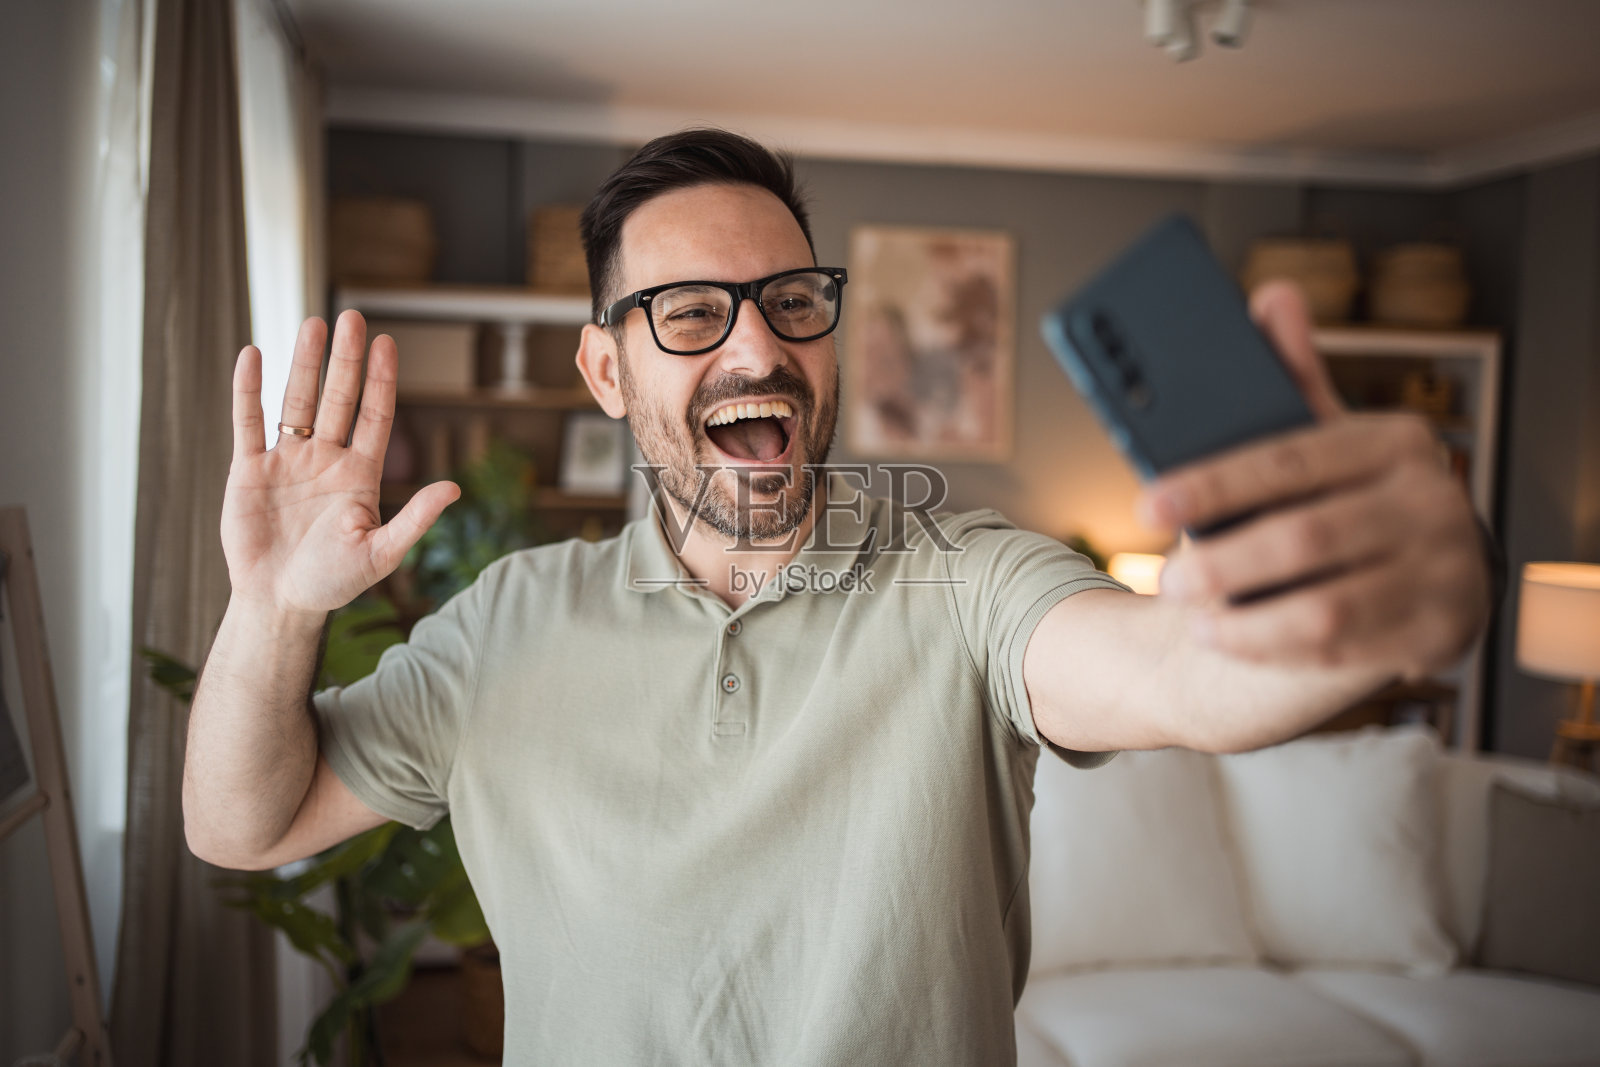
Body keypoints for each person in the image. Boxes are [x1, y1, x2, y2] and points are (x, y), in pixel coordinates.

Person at [183, 129, 1491, 1065]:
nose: (760, 345)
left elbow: (1187, 675)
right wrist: (276, 608)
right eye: (690, 312)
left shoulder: (966, 579)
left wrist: (1379, 601)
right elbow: (246, 823)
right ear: (605, 372)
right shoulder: (501, 627)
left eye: (791, 301)